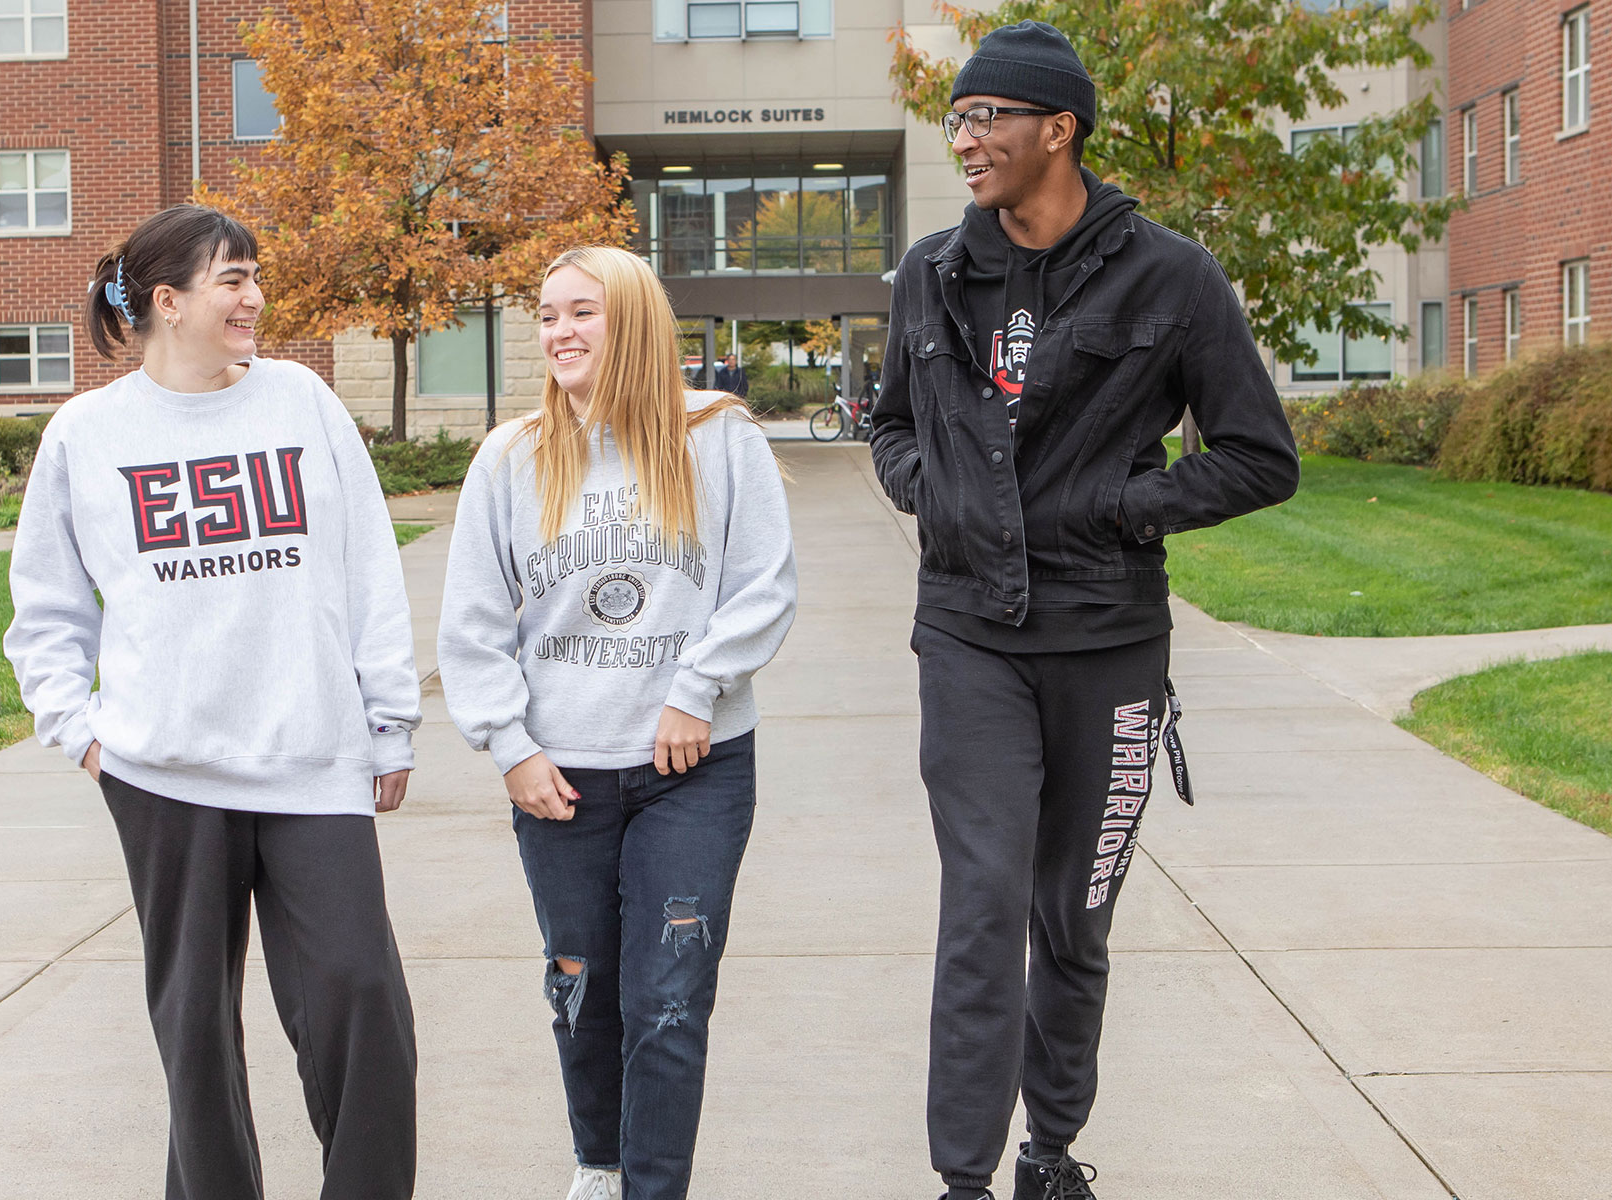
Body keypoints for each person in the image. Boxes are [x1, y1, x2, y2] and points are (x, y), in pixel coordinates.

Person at [866, 21, 1300, 1200]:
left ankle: (1050, 1154)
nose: (964, 139)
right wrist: (930, 491)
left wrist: (1123, 505)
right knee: (984, 901)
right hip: (968, 635)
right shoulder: (930, 273)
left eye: (986, 117)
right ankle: (960, 1178)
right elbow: (890, 421)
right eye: (956, 119)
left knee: (1071, 915)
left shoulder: (1172, 276)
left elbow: (1262, 457)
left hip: (1107, 641)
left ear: (1058, 129)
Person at [3, 202, 423, 1200]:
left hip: (310, 757)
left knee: (360, 997)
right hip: (165, 773)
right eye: (232, 279)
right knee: (195, 1028)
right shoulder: (89, 434)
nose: (254, 297)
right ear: (168, 300)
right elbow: (46, 607)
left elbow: (370, 564)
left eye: (253, 275)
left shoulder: (302, 403)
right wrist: (83, 732)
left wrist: (389, 715)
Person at [439, 245, 799, 1200]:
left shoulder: (720, 440)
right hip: (561, 778)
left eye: (581, 312)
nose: (558, 331)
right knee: (584, 991)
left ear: (633, 320)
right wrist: (509, 746)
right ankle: (599, 1166)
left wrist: (697, 689)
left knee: (669, 1000)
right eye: (548, 314)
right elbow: (473, 627)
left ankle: (653, 1190)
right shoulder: (512, 456)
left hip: (698, 771)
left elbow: (763, 588)